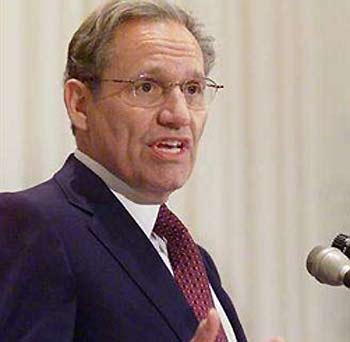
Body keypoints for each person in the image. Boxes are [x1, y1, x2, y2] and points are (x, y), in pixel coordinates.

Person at [0, 1, 284, 341]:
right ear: (79, 104)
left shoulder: (193, 260)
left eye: (192, 89)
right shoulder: (32, 225)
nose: (178, 115)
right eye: (147, 87)